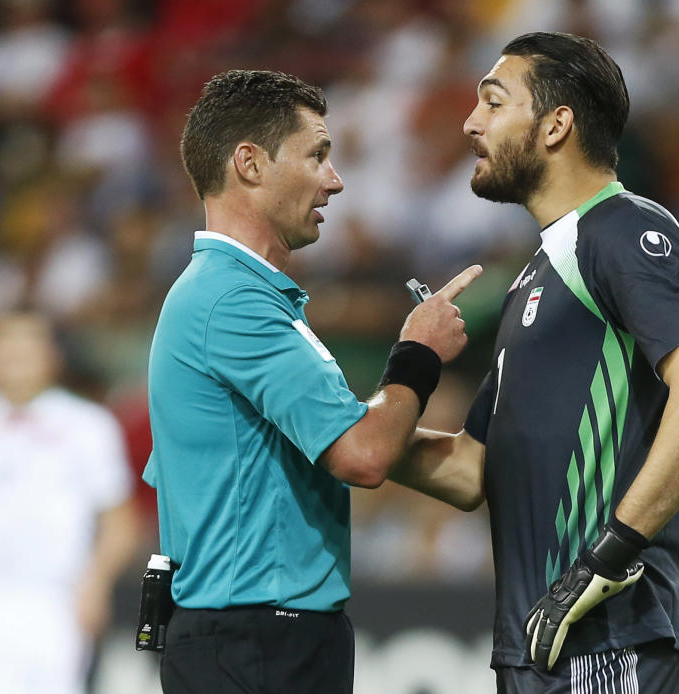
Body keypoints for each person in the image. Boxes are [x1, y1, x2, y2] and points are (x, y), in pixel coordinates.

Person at [389, 32, 679, 693]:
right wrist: (346, 430)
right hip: (537, 648)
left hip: (606, 639)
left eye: (494, 102)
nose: (471, 122)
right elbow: (471, 469)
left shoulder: (623, 229)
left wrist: (606, 559)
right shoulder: (536, 275)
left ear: (556, 125)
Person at [141, 69, 480, 694]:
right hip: (258, 644)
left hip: (251, 639)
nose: (335, 179)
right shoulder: (234, 302)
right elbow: (363, 454)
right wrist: (418, 353)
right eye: (317, 155)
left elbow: (331, 440)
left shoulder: (227, 298)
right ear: (249, 163)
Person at [0, 311, 139, 694]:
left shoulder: (88, 426)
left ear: (52, 356)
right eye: (5, 346)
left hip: (59, 597)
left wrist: (96, 583)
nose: (16, 356)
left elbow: (120, 521)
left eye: (28, 345)